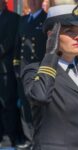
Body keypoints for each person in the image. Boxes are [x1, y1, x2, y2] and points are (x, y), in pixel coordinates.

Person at [21, 2, 78, 150]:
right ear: (52, 36)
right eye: (70, 31)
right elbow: (40, 96)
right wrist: (51, 53)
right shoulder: (34, 70)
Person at [13, 0, 47, 148]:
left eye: (36, 0)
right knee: (25, 107)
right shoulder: (23, 20)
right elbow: (18, 45)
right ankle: (29, 139)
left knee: (39, 107)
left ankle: (40, 139)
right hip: (24, 70)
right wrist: (17, 66)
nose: (32, 2)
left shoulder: (47, 19)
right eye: (30, 0)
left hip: (39, 69)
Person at [0, 0, 20, 146]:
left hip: (5, 70)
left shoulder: (14, 18)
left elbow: (9, 42)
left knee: (7, 103)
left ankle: (9, 136)